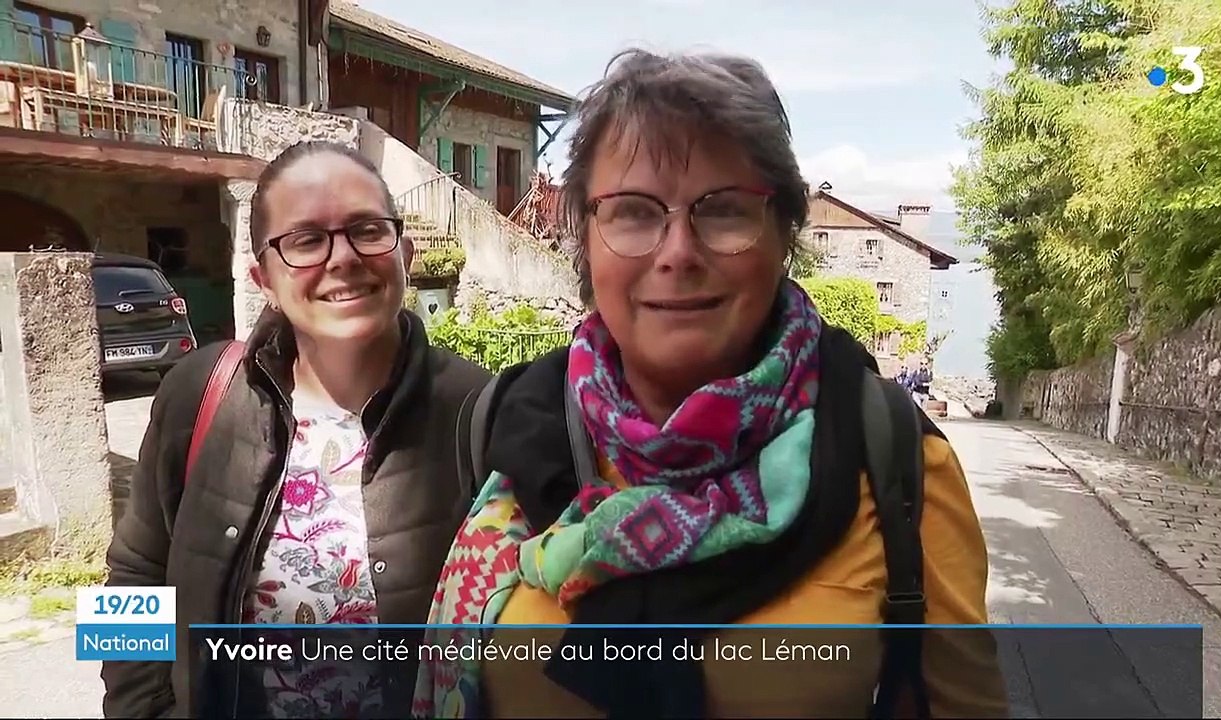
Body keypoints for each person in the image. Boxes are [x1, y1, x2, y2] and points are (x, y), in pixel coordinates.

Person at [412, 49, 1008, 719]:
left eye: (722, 210)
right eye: (634, 212)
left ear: (782, 232)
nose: (677, 252)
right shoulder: (509, 425)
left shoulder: (895, 459)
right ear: (583, 236)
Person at [100, 141, 491, 718]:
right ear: (264, 278)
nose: (343, 257)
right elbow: (132, 576)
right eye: (306, 240)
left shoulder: (476, 410)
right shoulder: (200, 392)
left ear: (403, 251)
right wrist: (138, 711)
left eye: (367, 229)